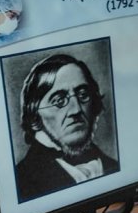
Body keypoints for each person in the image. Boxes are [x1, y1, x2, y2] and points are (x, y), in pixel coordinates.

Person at [15, 52, 119, 201]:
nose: (76, 109)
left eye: (83, 95)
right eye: (59, 101)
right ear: (34, 115)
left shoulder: (113, 166)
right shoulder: (21, 181)